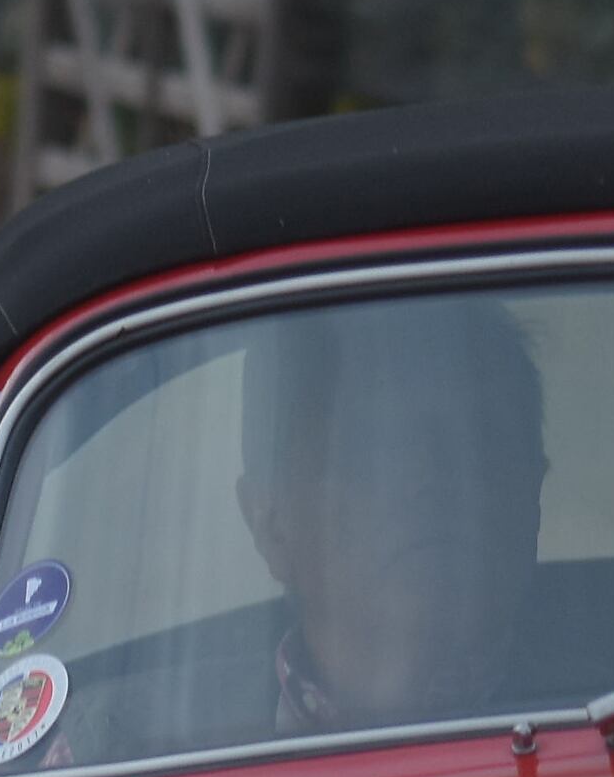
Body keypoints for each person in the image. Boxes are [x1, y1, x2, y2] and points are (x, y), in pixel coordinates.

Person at [234, 300, 549, 735]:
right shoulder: (177, 759)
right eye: (373, 443)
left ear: (532, 488)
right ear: (270, 524)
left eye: (477, 436)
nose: (431, 476)